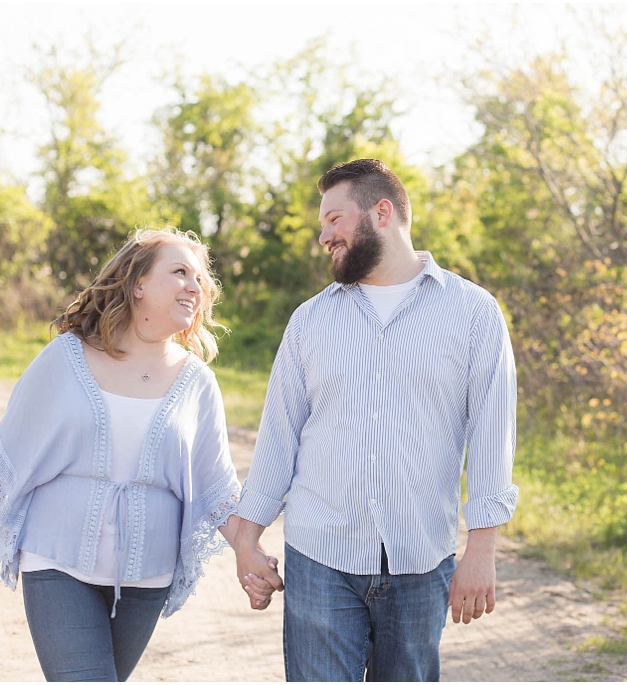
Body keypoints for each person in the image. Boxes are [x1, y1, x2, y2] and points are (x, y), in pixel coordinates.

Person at [0, 226, 275, 682]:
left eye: (200, 279)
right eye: (180, 272)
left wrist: (249, 553)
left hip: (147, 579)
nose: (194, 287)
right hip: (57, 562)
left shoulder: (197, 382)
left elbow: (216, 489)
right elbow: (6, 455)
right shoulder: (66, 358)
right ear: (138, 284)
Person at [231, 159, 518, 681]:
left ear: (381, 212)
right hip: (320, 556)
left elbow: (492, 439)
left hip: (420, 558)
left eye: (334, 219)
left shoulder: (474, 314)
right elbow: (278, 439)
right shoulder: (311, 321)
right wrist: (246, 539)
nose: (323, 236)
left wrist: (482, 550)